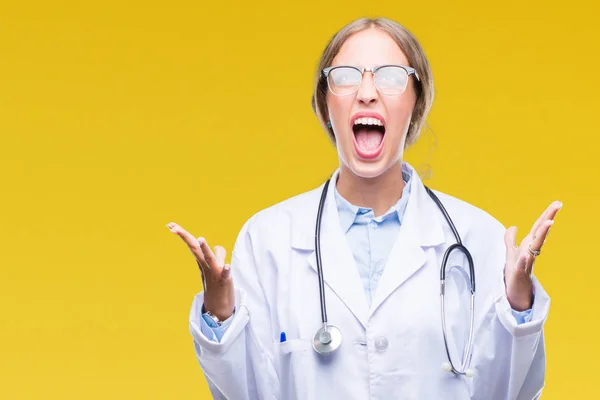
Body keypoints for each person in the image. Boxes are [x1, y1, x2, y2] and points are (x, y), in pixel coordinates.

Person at [167, 17, 561, 400]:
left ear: (416, 103)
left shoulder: (478, 238)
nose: (367, 91)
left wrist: (519, 310)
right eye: (346, 76)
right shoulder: (268, 238)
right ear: (325, 106)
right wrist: (219, 315)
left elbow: (512, 391)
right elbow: (244, 391)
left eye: (390, 76)